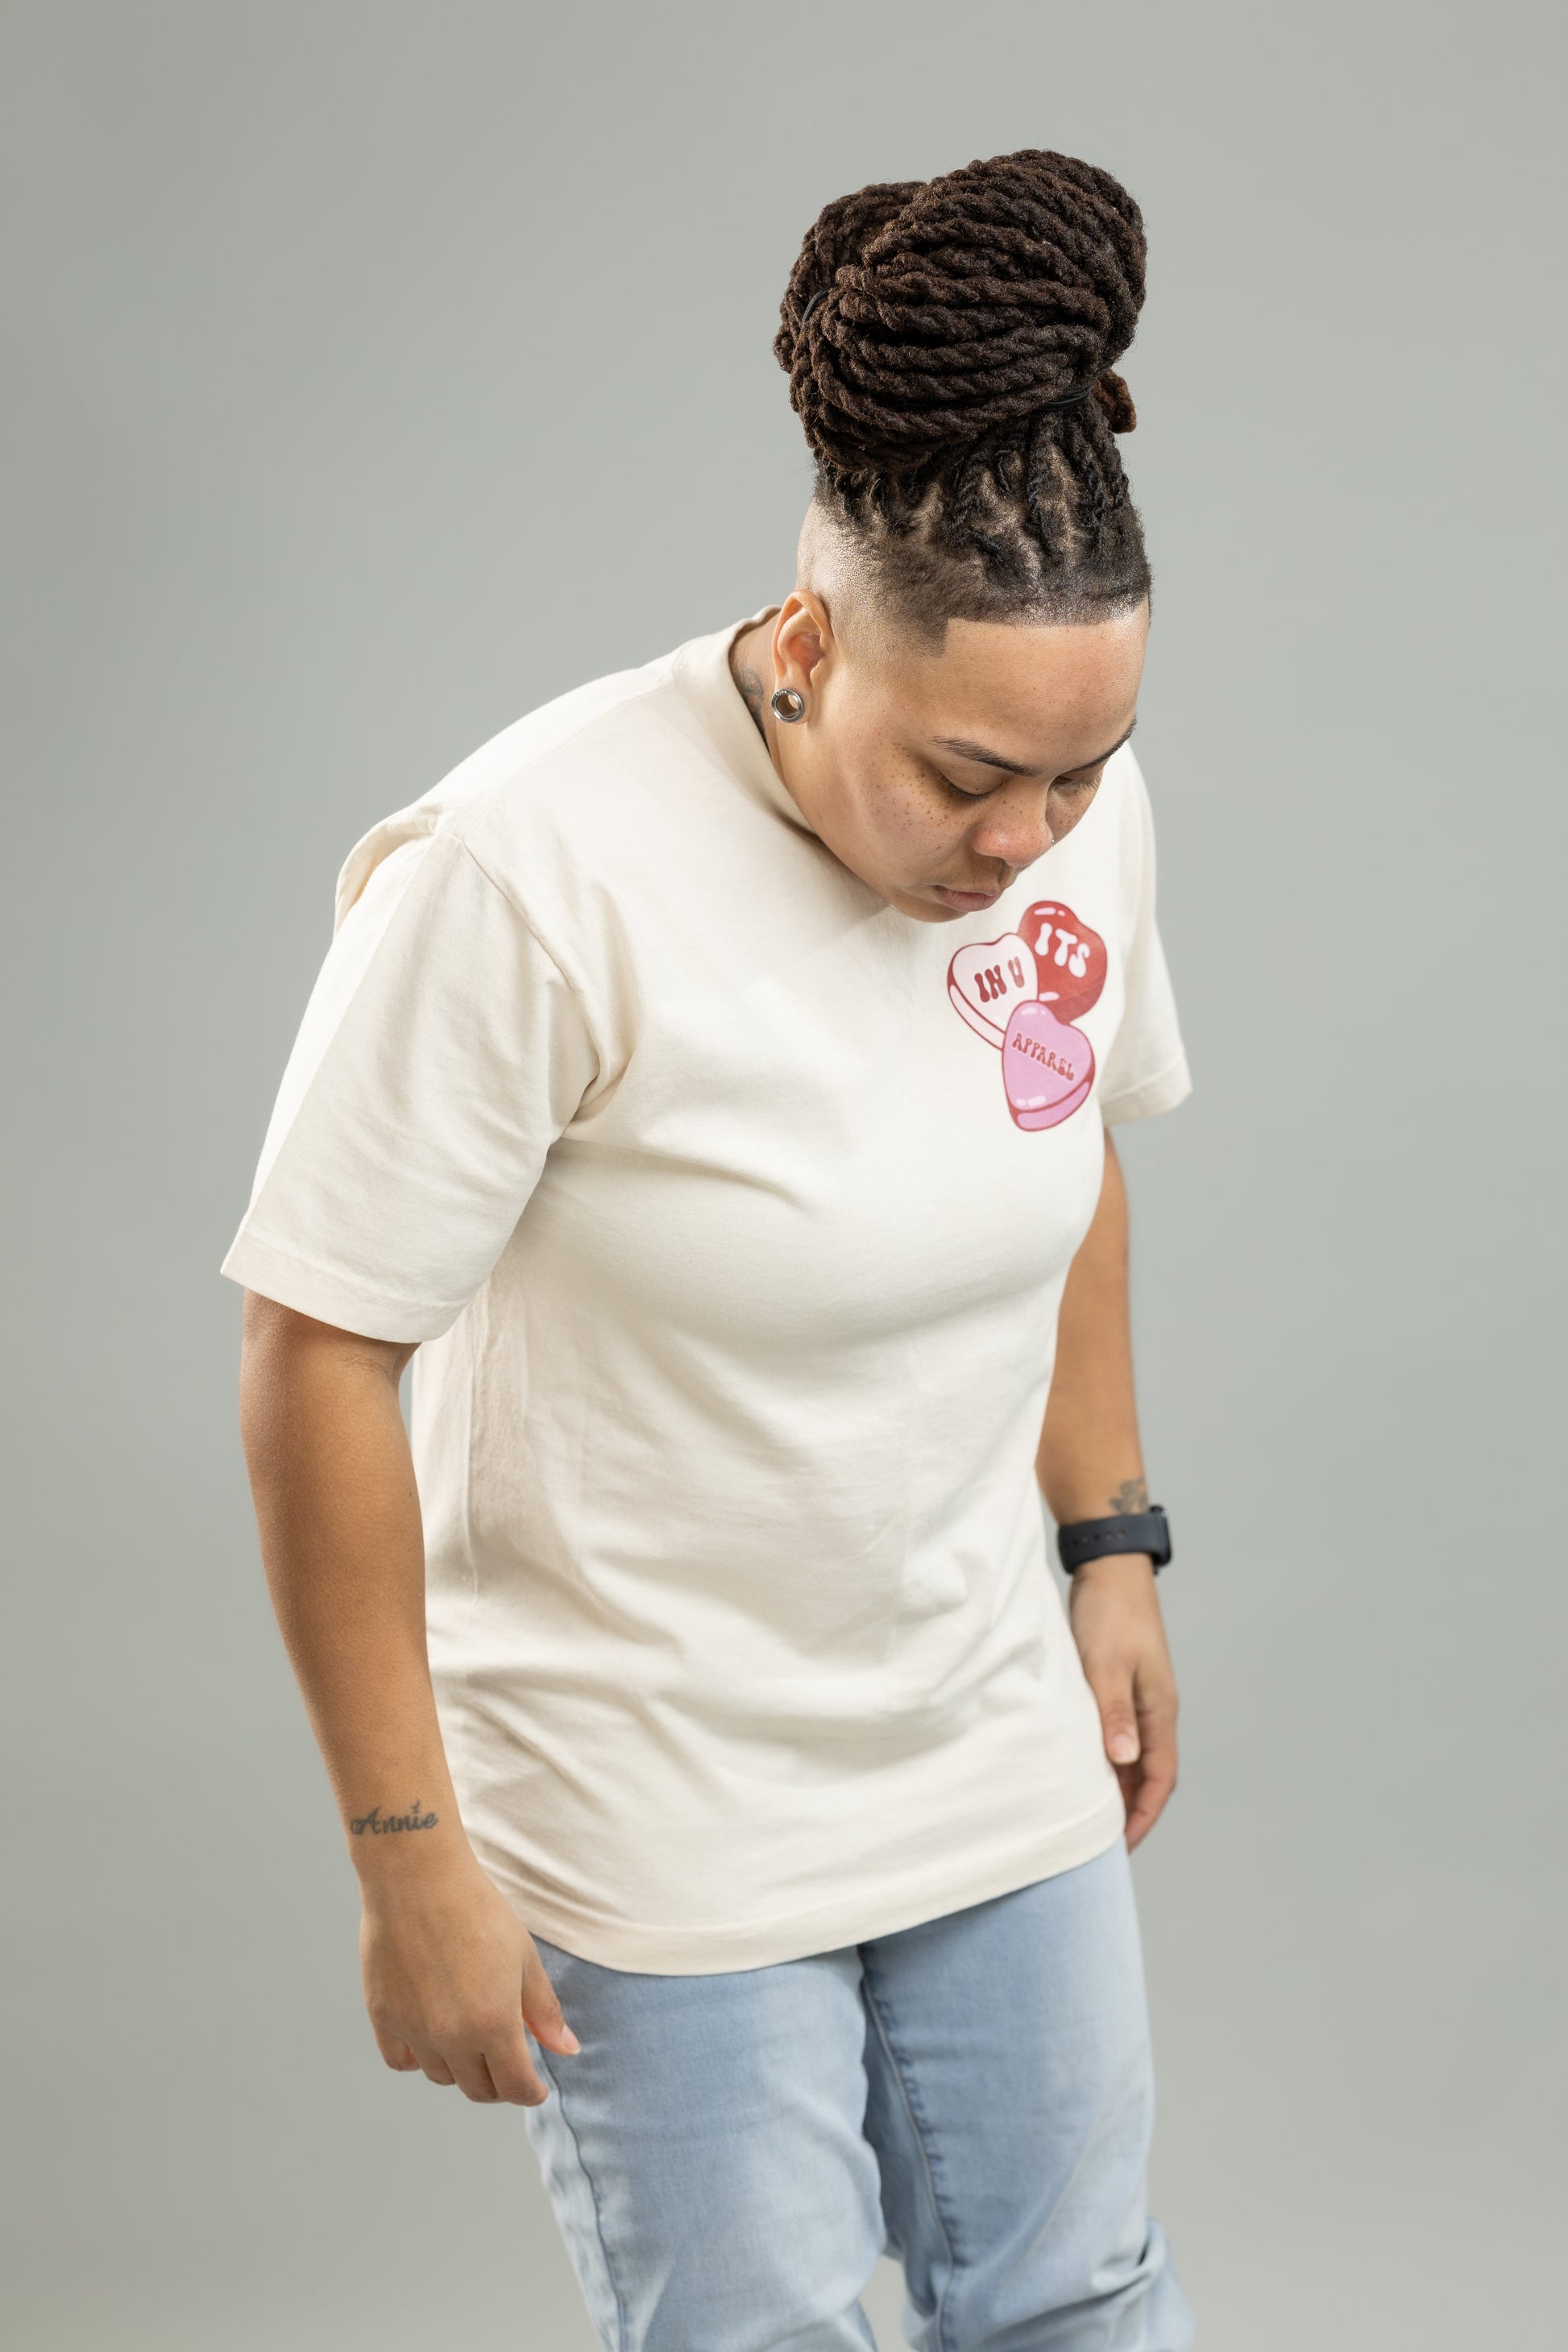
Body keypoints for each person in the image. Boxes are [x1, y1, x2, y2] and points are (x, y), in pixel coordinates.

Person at [225, 147, 1197, 2351]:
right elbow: (316, 1354)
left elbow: (1058, 1147)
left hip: (981, 1728)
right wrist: (404, 1852)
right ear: (805, 646)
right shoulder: (527, 872)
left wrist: (1112, 1542)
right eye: (968, 774)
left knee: (1085, 2299)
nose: (1025, 840)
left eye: (1080, 775)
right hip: (648, 1801)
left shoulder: (1068, 809)